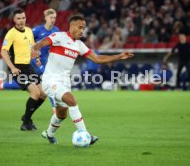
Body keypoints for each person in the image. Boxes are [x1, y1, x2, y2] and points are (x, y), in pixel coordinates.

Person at [31, 15, 134, 145]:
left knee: (61, 114)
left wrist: (119, 56)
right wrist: (36, 48)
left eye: (83, 28)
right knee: (71, 101)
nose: (82, 31)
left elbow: (97, 58)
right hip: (50, 80)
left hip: (64, 82)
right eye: (80, 27)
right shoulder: (59, 37)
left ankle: (49, 134)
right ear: (72, 26)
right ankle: (86, 134)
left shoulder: (79, 45)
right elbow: (42, 42)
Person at [0, 8, 59, 113]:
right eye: (51, 17)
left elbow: (36, 45)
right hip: (31, 62)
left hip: (44, 61)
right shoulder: (36, 30)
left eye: (55, 18)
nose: (53, 19)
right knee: (43, 85)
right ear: (46, 18)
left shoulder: (56, 30)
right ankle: (54, 107)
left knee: (39, 87)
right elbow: (25, 42)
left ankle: (3, 85)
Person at [0, 8, 47, 131]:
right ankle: (26, 123)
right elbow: (3, 51)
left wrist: (36, 57)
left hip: (29, 67)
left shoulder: (29, 31)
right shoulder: (11, 34)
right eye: (18, 18)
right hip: (18, 69)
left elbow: (32, 47)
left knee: (43, 94)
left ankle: (27, 117)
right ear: (14, 20)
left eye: (23, 18)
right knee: (35, 93)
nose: (21, 21)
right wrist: (12, 68)